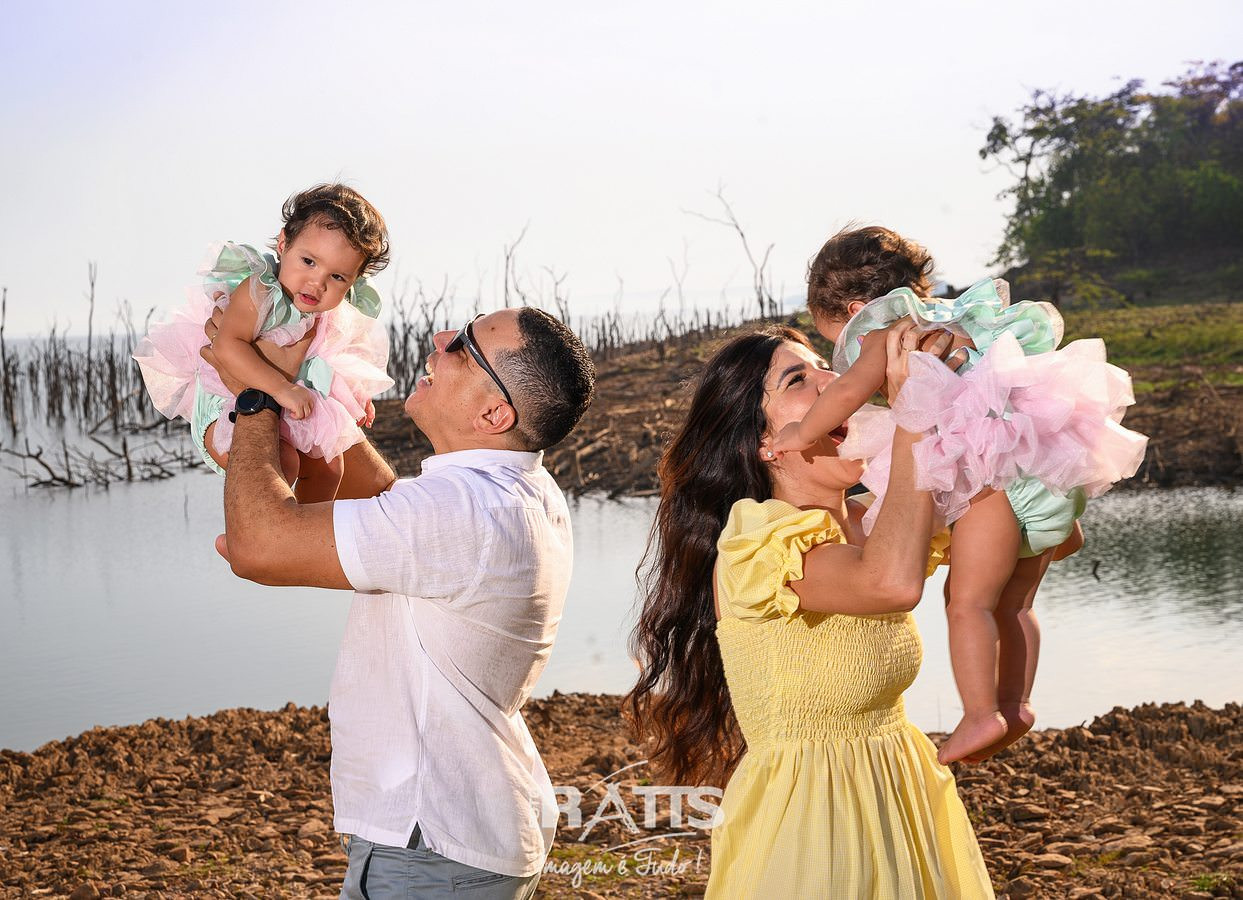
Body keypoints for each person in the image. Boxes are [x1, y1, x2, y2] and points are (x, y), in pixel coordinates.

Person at [201, 306, 595, 899]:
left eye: (464, 346)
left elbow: (259, 546)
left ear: (494, 414)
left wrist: (254, 399)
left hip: (432, 844)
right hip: (461, 834)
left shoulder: (464, 511)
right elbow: (382, 500)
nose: (441, 338)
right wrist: (301, 389)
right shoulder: (508, 491)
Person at [627, 322, 996, 898]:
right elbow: (890, 584)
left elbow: (1049, 538)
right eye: (797, 380)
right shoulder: (758, 544)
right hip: (813, 826)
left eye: (828, 367)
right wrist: (915, 414)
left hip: (901, 796)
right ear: (765, 443)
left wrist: (986, 397)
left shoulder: (874, 521)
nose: (834, 382)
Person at [791, 225, 1145, 763]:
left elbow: (847, 392)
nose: (840, 352)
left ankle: (982, 714)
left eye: (833, 337)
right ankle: (1016, 705)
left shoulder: (885, 331)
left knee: (967, 602)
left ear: (858, 309)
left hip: (992, 486)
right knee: (1014, 603)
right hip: (1046, 475)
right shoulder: (955, 318)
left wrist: (800, 432)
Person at [134, 183, 393, 503]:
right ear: (284, 244)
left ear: (353, 281)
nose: (318, 282)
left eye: (337, 277)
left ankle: (309, 529)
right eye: (309, 261)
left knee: (330, 467)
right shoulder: (260, 290)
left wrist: (355, 394)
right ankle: (263, 530)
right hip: (228, 403)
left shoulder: (329, 313)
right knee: (284, 464)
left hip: (288, 400)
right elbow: (226, 347)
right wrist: (282, 389)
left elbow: (331, 356)